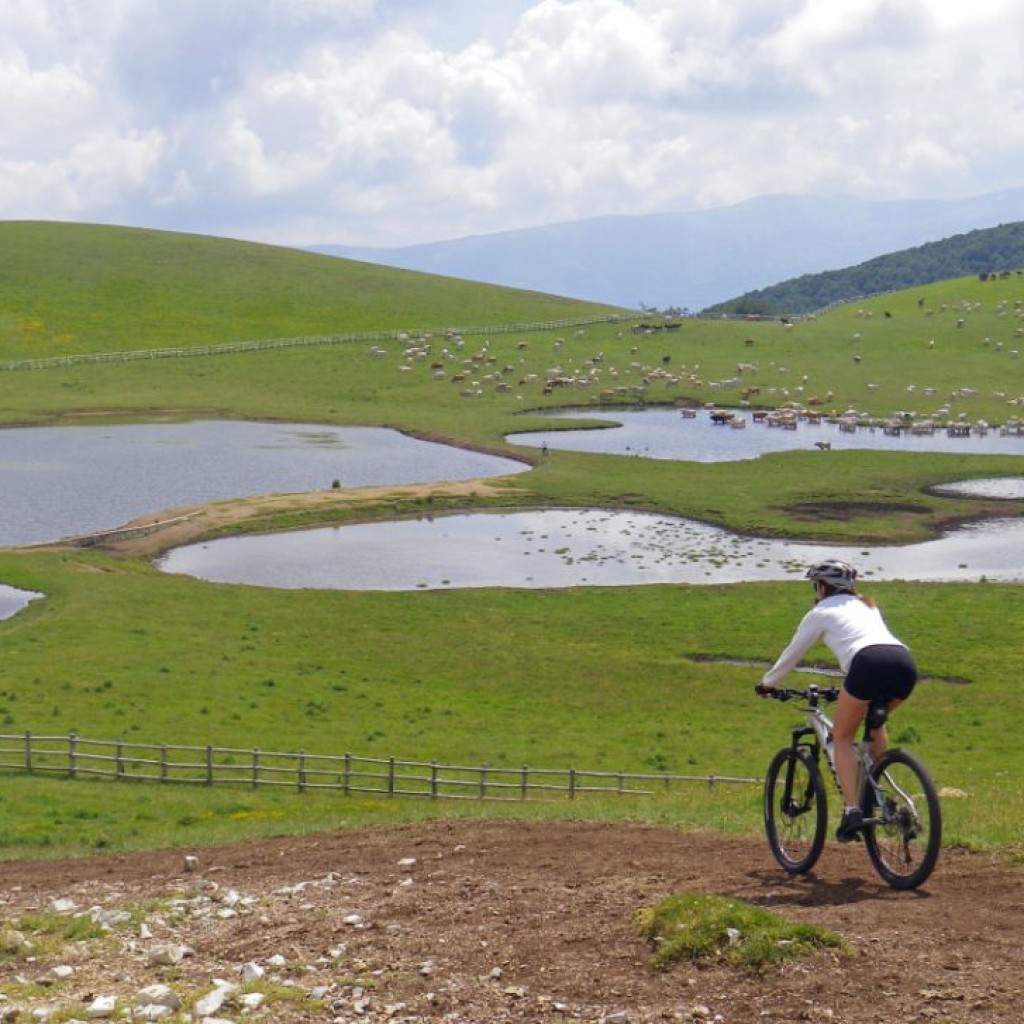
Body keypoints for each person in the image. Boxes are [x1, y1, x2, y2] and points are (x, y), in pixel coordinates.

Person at [760, 558, 918, 842]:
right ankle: (882, 788)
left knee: (842, 738)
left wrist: (768, 684)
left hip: (867, 664)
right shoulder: (868, 605)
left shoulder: (820, 612)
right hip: (904, 664)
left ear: (822, 587)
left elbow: (792, 654)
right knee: (873, 721)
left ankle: (853, 810)